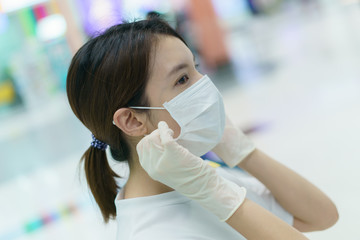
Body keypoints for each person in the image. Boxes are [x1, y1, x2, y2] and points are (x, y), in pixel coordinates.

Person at [66, 17, 338, 239]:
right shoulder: (151, 231)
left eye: (196, 68)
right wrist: (216, 195)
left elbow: (320, 216)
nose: (205, 84)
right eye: (183, 79)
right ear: (133, 121)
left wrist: (241, 151)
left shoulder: (194, 178)